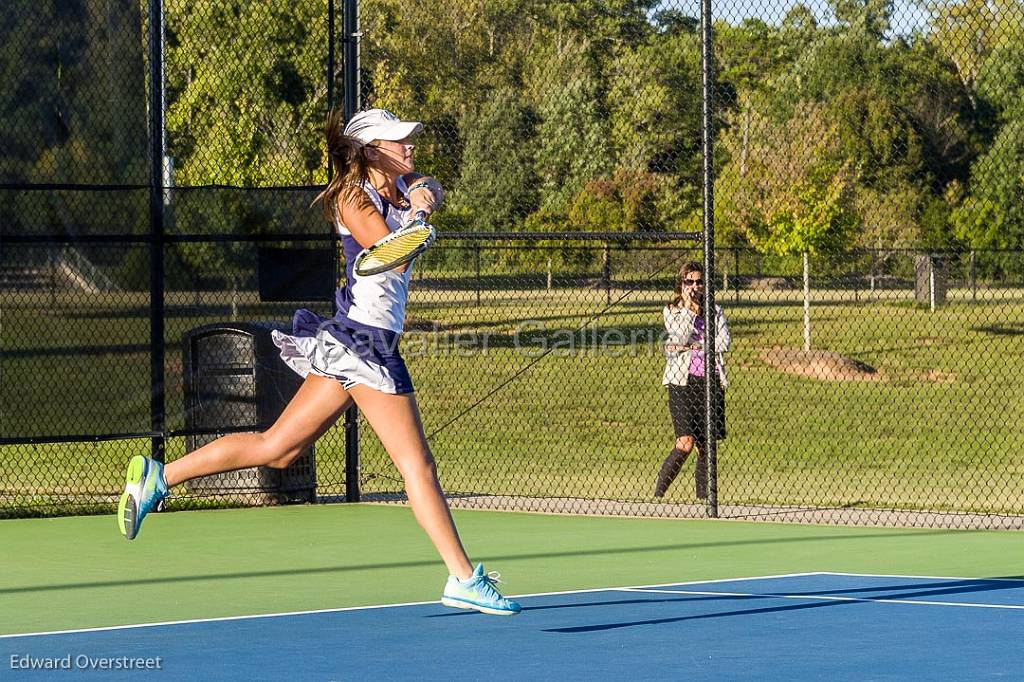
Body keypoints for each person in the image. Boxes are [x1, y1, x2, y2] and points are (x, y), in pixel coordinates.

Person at [116, 108, 521, 616]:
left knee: (278, 448)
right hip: (366, 344)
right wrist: (417, 219)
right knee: (417, 465)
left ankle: (158, 477)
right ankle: (463, 577)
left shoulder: (397, 181)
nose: (410, 147)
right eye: (398, 141)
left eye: (409, 140)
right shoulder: (352, 197)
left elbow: (430, 185)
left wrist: (424, 194)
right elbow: (384, 248)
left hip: (355, 341)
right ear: (371, 150)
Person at [655, 261, 730, 499]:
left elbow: (724, 342)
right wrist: (688, 308)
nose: (695, 286)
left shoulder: (715, 311)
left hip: (710, 381)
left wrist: (697, 345)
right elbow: (677, 339)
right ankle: (657, 495)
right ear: (681, 284)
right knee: (685, 442)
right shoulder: (672, 311)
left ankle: (704, 501)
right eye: (689, 282)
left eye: (699, 282)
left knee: (706, 446)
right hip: (682, 383)